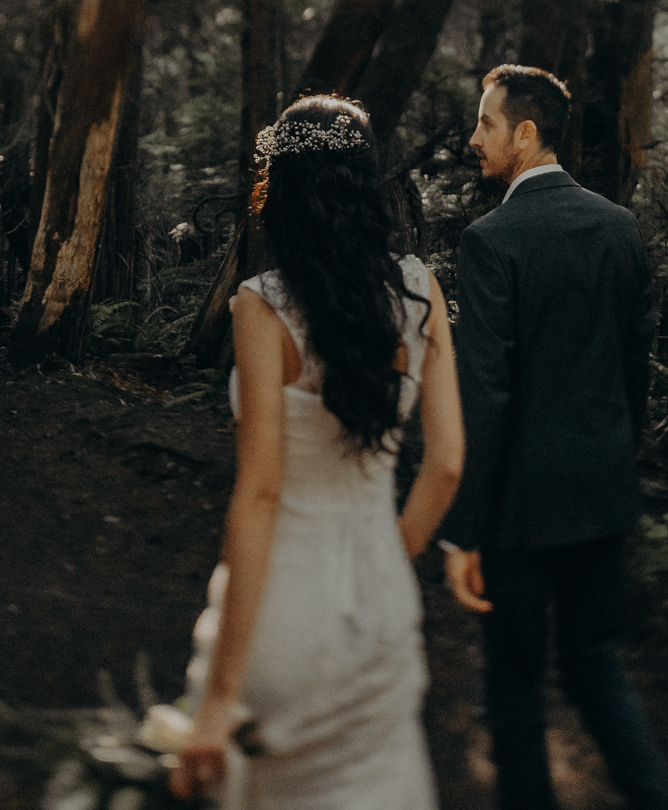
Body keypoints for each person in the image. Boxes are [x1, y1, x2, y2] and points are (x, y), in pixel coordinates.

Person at [173, 96, 464, 809]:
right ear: (365, 183)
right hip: (381, 605)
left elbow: (262, 492)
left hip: (286, 606)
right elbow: (448, 461)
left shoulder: (261, 304)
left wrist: (218, 697)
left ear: (285, 189)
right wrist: (390, 556)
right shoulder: (421, 292)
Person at [439, 66, 668, 810]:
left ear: (526, 132)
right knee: (594, 661)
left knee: (514, 682)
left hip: (520, 504)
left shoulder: (491, 239)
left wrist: (465, 527)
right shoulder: (619, 226)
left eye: (485, 123)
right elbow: (633, 368)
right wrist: (615, 455)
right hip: (602, 492)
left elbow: (485, 394)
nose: (474, 137)